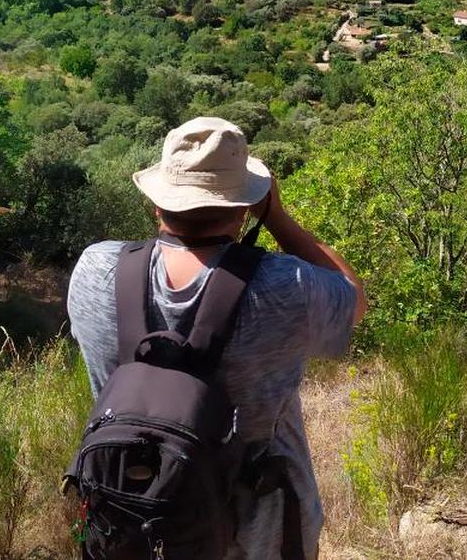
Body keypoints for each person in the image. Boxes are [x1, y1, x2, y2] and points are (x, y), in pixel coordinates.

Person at [68, 117, 366, 559]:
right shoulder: (290, 287)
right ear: (245, 207)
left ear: (157, 203)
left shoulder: (95, 269)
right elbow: (353, 297)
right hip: (260, 531)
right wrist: (279, 219)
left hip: (132, 521)